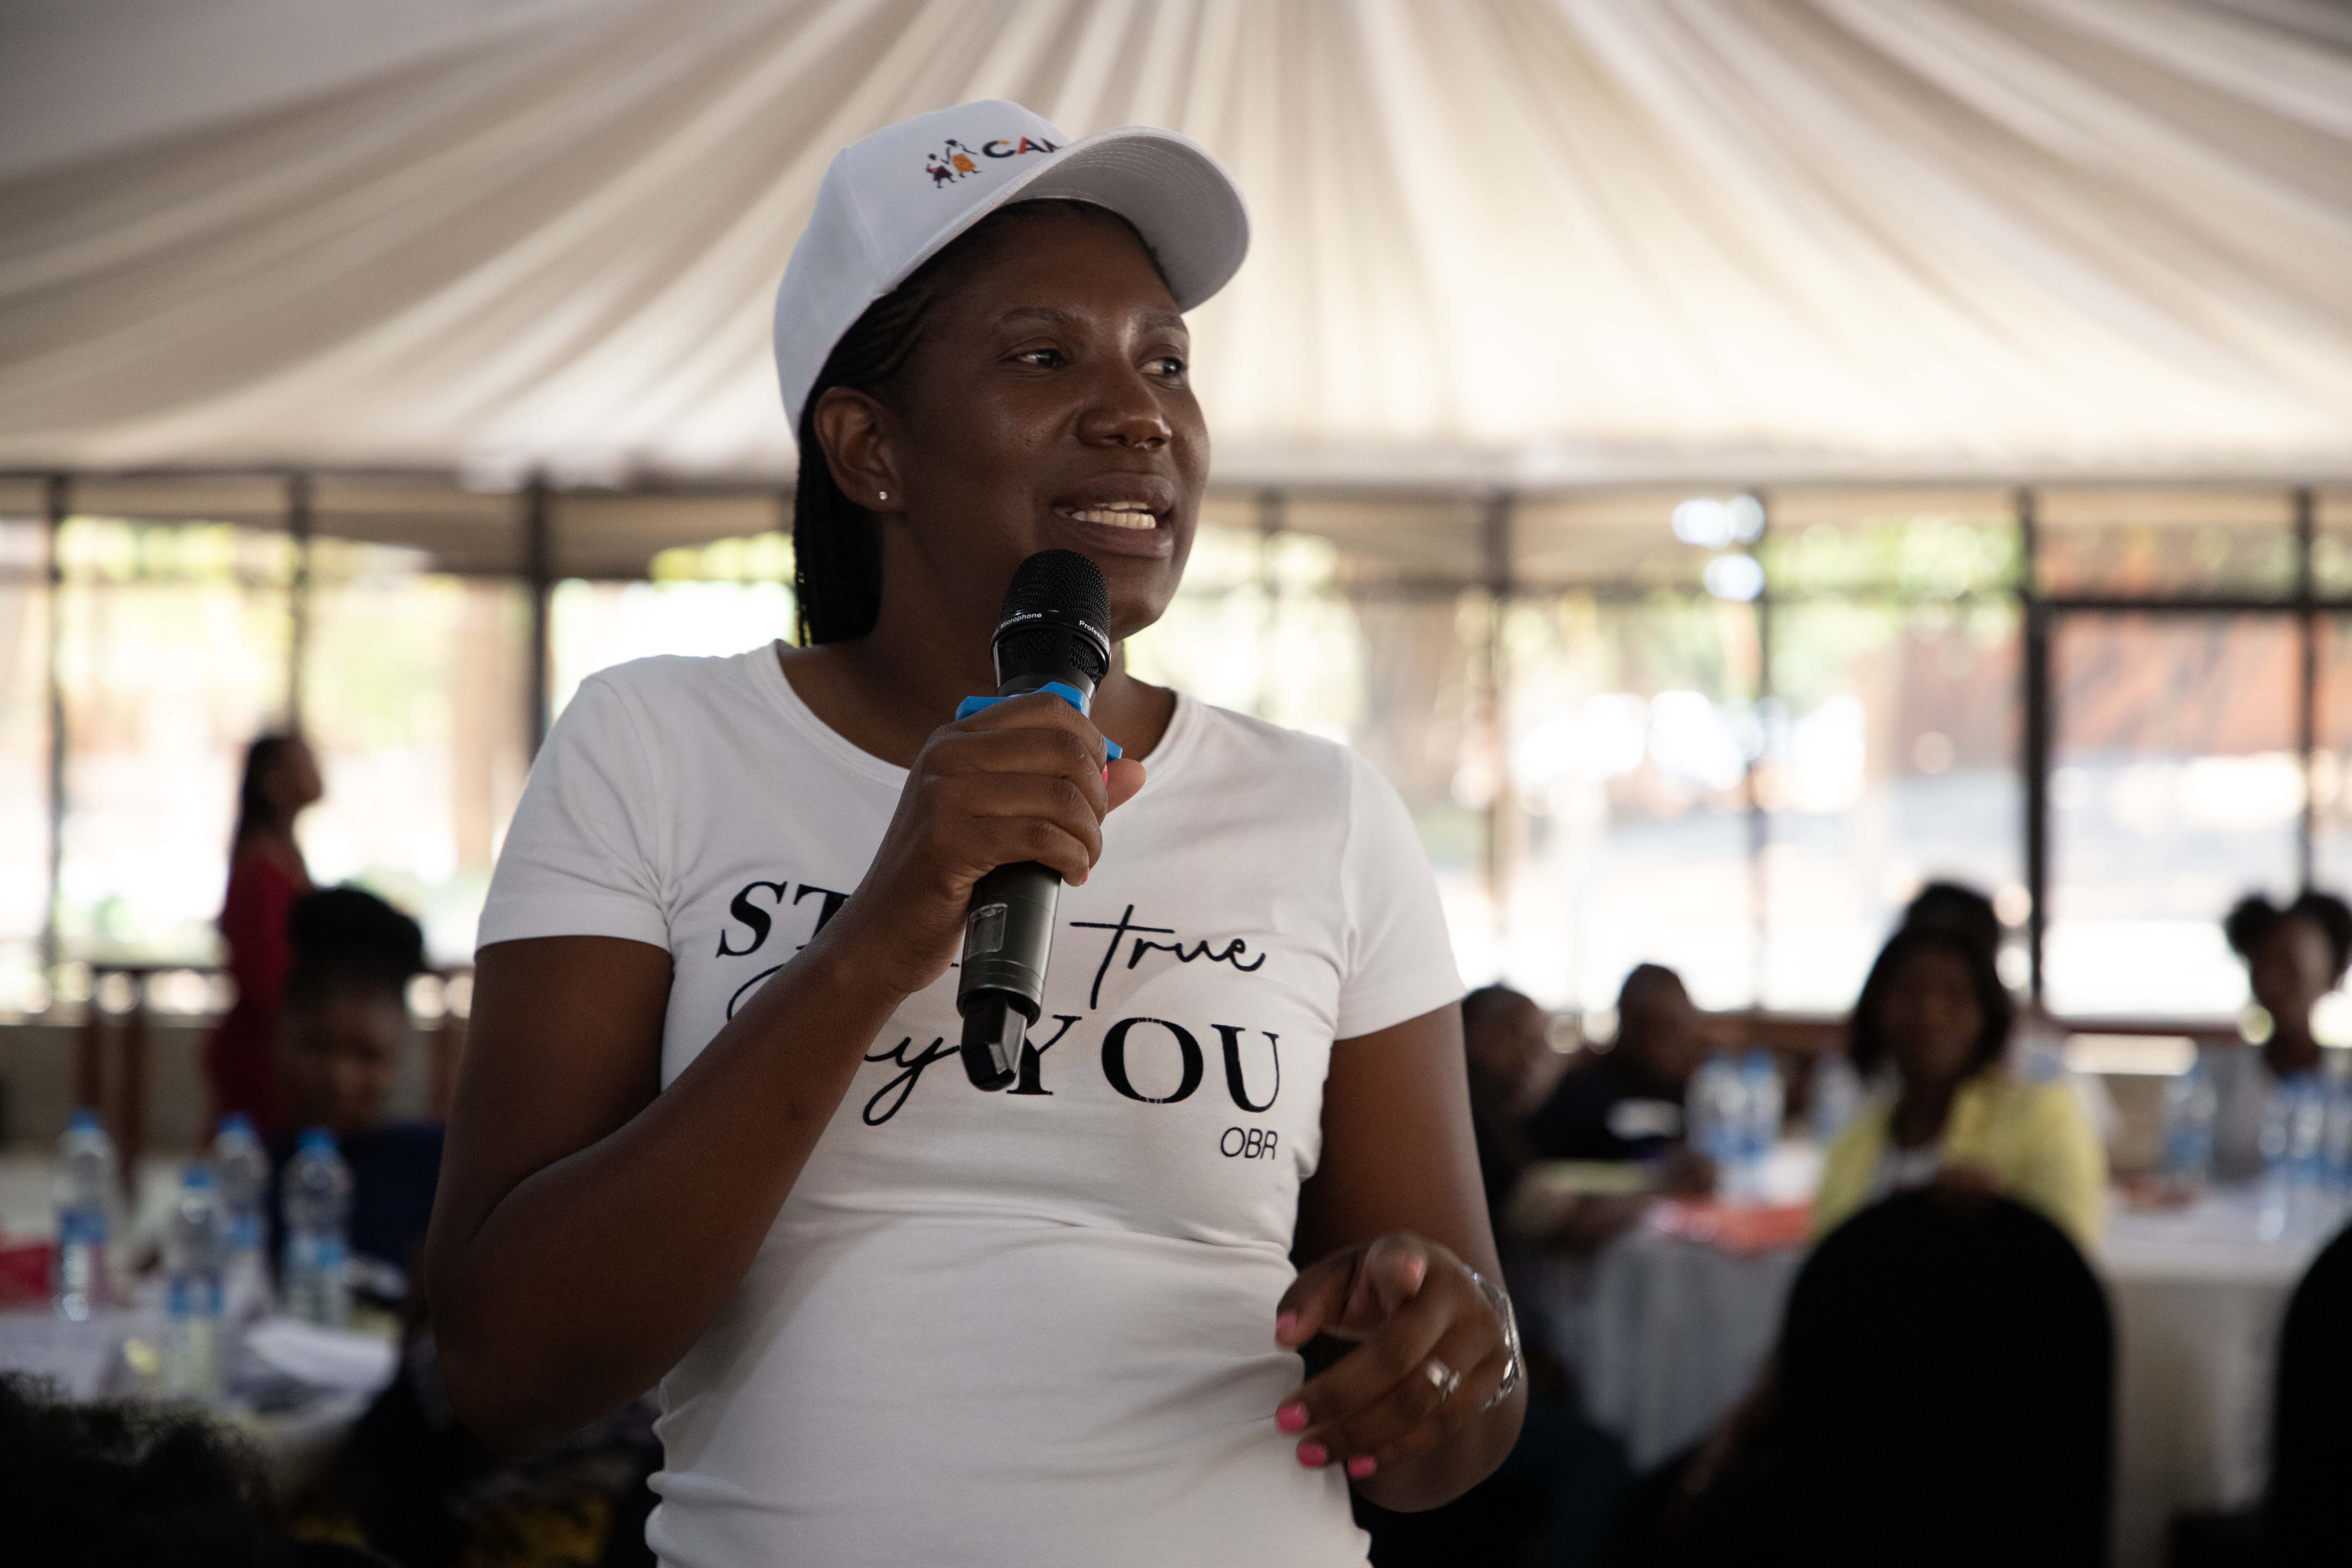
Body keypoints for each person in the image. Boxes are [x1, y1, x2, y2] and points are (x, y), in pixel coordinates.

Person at [425, 101, 1522, 1565]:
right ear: (869, 446)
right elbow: (505, 1367)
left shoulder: (1322, 812)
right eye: (1043, 355)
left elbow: (1451, 1425)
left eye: (1168, 360)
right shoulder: (656, 749)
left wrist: (1446, 1363)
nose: (1141, 410)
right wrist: (879, 932)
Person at [1813, 924, 2106, 1252]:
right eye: (1909, 993)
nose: (1929, 1015)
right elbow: (1830, 1275)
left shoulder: (2045, 1119)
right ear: (1877, 1010)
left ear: (1987, 1016)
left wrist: (1996, 1221)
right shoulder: (1851, 1146)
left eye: (1955, 997)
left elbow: (2067, 1268)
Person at [265, 888, 442, 1285]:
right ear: (279, 1040)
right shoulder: (252, 1174)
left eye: (367, 1055)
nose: (338, 1078)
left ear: (399, 1056)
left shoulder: (443, 1175)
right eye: (317, 1046)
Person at [204, 733, 321, 1138]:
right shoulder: (263, 867)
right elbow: (263, 976)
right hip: (263, 1050)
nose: (318, 771)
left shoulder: (284, 854)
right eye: (306, 760)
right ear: (275, 780)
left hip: (282, 1042)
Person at [2210, 890, 2352, 1181]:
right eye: (2264, 963)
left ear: (2331, 972)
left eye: (2291, 967)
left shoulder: (2344, 1082)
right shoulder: (2215, 1075)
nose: (2274, 982)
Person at [1527, 966, 1712, 1185]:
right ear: (1628, 1026)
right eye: (1658, 1028)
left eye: (1681, 1028)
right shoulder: (1584, 1090)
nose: (1674, 1043)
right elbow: (1543, 1177)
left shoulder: (1683, 1090)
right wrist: (1653, 1180)